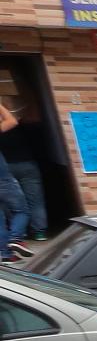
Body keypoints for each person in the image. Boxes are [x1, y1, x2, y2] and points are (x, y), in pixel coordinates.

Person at [0, 94, 47, 242]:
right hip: (27, 165)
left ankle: (19, 234)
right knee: (35, 201)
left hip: (7, 167)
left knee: (9, 205)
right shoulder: (23, 125)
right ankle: (39, 232)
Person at [0, 98, 28, 258]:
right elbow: (11, 121)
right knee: (21, 210)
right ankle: (16, 238)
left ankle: (5, 254)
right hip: (2, 179)